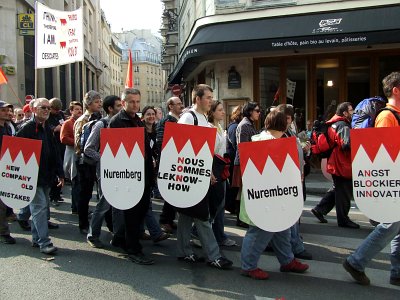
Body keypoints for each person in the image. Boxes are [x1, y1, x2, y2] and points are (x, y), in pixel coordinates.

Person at [343, 71, 400, 286]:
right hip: (393, 181)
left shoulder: (396, 114)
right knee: (391, 225)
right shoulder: (387, 116)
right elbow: (384, 154)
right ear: (395, 90)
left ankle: (396, 271)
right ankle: (356, 261)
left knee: (396, 226)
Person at [240, 109, 309, 280]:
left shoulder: (270, 139)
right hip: (264, 197)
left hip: (276, 195)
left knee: (282, 228)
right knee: (259, 231)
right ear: (283, 125)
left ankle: (287, 260)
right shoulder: (264, 141)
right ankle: (249, 266)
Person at [176, 84, 233, 269]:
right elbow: (182, 148)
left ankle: (185, 251)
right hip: (191, 174)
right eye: (207, 97)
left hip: (200, 173)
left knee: (186, 214)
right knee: (202, 215)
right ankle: (213, 255)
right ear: (197, 99)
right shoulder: (188, 117)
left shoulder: (202, 119)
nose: (210, 100)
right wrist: (205, 171)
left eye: (211, 97)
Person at [108, 88, 155, 265]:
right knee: (133, 213)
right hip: (128, 176)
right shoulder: (117, 121)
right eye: (131, 102)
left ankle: (120, 238)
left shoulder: (137, 120)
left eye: (137, 101)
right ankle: (133, 249)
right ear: (123, 102)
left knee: (141, 211)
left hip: (142, 173)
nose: (135, 105)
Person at [16, 98, 64, 254]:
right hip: (33, 176)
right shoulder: (26, 128)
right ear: (34, 109)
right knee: (39, 208)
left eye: (48, 108)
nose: (46, 110)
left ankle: (37, 239)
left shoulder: (47, 128)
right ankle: (44, 242)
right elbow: (16, 153)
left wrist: (59, 173)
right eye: (43, 107)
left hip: (46, 175)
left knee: (40, 208)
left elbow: (54, 152)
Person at [315, 102, 359, 229]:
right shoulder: (343, 125)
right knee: (344, 192)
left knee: (338, 189)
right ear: (344, 112)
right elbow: (346, 144)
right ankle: (343, 219)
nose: (353, 112)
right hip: (342, 164)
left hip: (336, 162)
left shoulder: (335, 123)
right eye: (351, 110)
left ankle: (320, 209)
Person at [86, 95, 122, 248]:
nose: (122, 108)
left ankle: (118, 235)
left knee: (119, 204)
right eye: (119, 106)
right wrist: (105, 159)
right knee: (104, 204)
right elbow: (88, 149)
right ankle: (92, 235)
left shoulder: (122, 123)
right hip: (106, 171)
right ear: (110, 108)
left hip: (122, 170)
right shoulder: (101, 125)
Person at [138, 106, 170, 243]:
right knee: (146, 203)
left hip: (151, 171)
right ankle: (156, 233)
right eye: (148, 114)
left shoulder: (156, 131)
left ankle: (140, 231)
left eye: (153, 114)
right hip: (141, 170)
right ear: (143, 116)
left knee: (143, 203)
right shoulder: (140, 130)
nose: (151, 116)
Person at [73, 90, 102, 234]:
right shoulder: (82, 120)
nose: (99, 104)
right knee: (85, 193)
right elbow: (79, 144)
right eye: (96, 102)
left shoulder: (99, 118)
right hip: (85, 162)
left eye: (100, 101)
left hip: (95, 160)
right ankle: (83, 223)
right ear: (88, 104)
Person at [156, 96, 184, 233]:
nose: (181, 105)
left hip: (177, 160)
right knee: (170, 192)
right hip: (170, 161)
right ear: (170, 106)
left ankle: (169, 219)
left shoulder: (179, 119)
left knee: (175, 192)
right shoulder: (167, 120)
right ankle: (164, 221)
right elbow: (161, 142)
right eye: (178, 104)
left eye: (181, 103)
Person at [232, 102, 261, 228]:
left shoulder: (249, 124)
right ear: (250, 112)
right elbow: (243, 147)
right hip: (244, 162)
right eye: (257, 111)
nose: (259, 113)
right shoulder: (245, 125)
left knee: (243, 191)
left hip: (248, 162)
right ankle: (240, 218)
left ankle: (242, 217)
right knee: (242, 191)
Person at [60, 101, 83, 214]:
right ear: (71, 111)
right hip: (72, 153)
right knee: (76, 181)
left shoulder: (83, 122)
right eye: (76, 109)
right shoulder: (68, 123)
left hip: (81, 154)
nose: (79, 111)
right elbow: (63, 138)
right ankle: (76, 207)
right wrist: (78, 142)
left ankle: (79, 206)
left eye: (80, 109)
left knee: (80, 182)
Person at [0, 100, 16, 244]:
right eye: (4, 110)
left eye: (8, 110)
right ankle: (4, 232)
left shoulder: (8, 127)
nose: (7, 113)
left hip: (6, 168)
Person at [225, 105, 243, 215]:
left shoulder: (233, 126)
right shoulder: (234, 127)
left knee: (234, 185)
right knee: (234, 185)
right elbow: (236, 145)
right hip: (233, 159)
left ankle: (230, 205)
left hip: (232, 158)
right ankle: (230, 205)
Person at [48, 98, 66, 205]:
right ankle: (53, 195)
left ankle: (58, 194)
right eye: (55, 110)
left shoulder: (60, 115)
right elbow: (48, 129)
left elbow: (63, 123)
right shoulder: (48, 116)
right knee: (54, 171)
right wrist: (55, 129)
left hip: (61, 145)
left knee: (60, 170)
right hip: (52, 144)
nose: (56, 112)